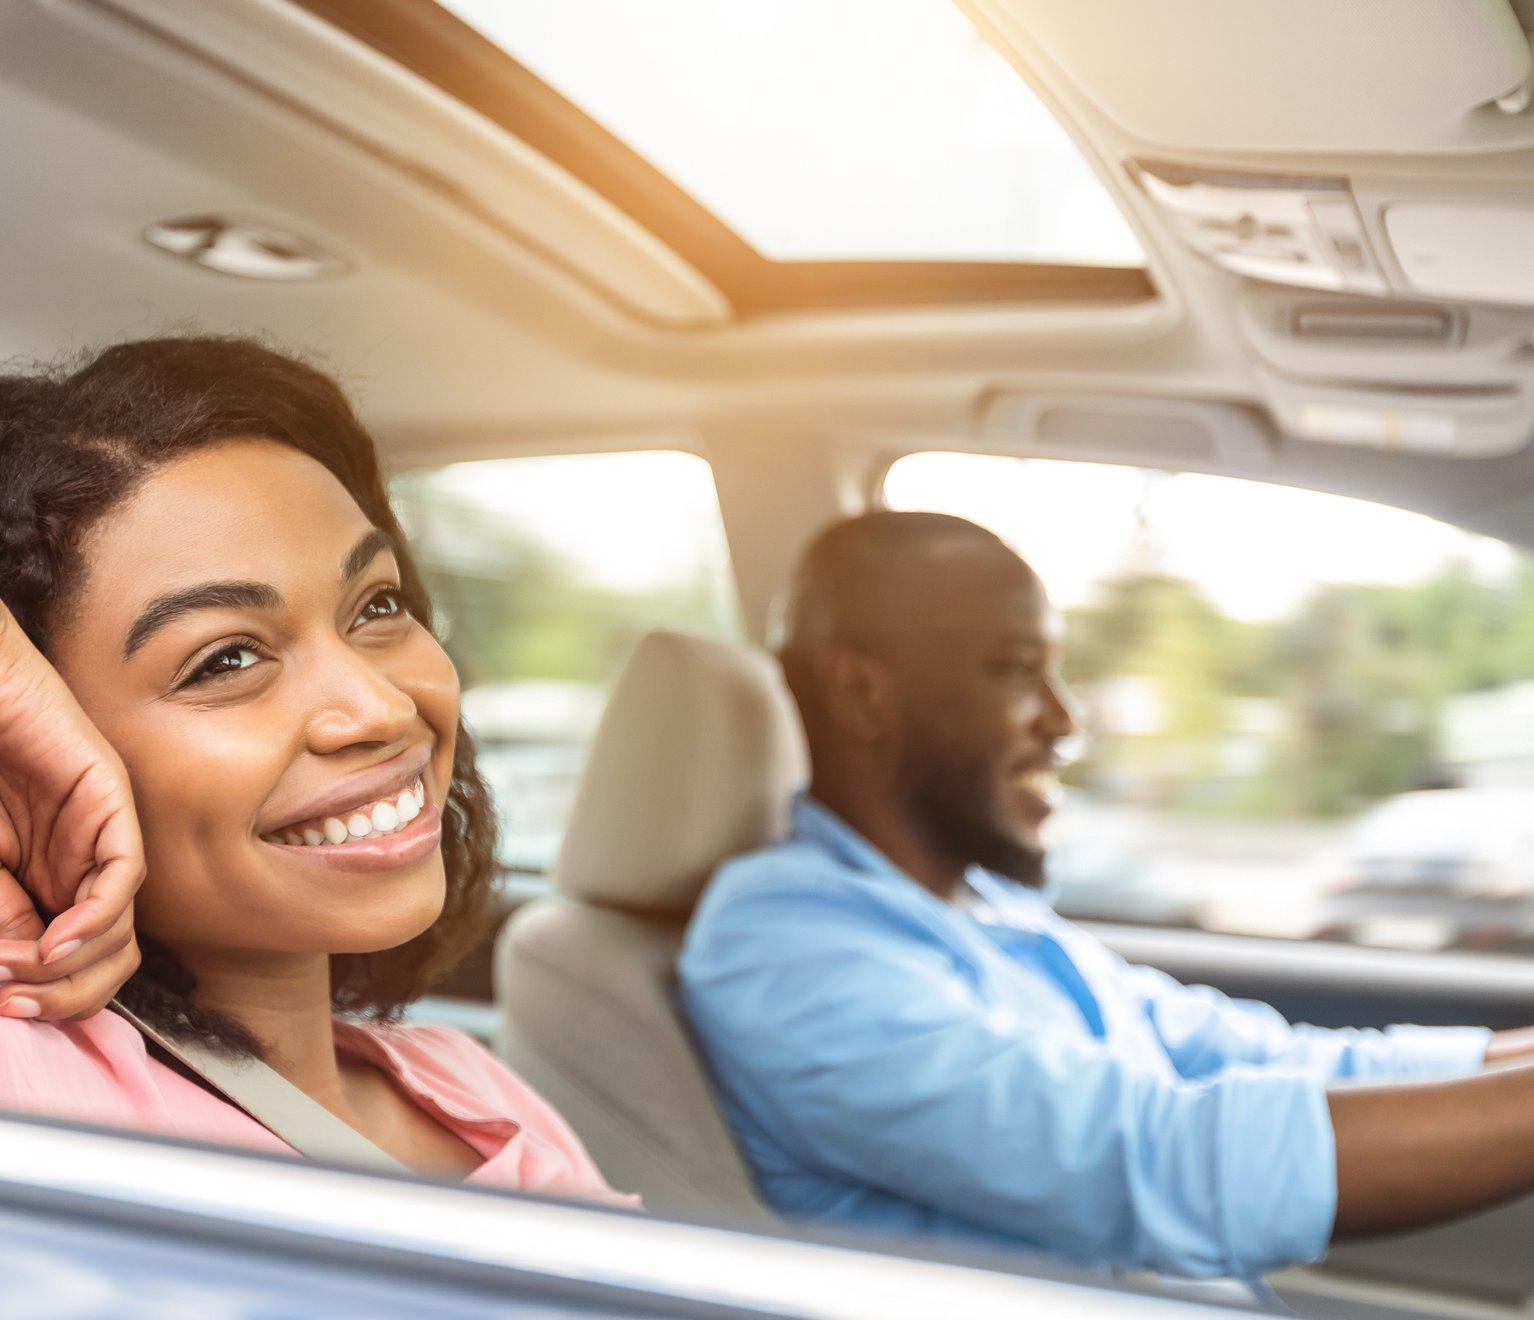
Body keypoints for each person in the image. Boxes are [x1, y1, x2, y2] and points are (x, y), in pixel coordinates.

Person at [679, 510, 1534, 1282]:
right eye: (1016, 672)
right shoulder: (785, 950)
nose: (1064, 719)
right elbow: (1161, 1160)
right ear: (863, 694)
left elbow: (1261, 1059)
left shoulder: (981, 909)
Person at [0, 337, 625, 1199]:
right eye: (224, 660)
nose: (381, 708)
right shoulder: (35, 1100)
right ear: (34, 741)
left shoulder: (472, 1090)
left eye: (378, 604)